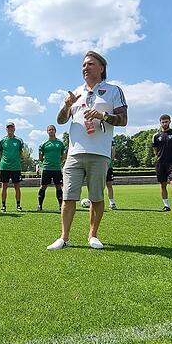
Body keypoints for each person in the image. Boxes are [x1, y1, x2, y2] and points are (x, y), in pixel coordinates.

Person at [48, 51, 127, 250]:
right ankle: (64, 238)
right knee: (68, 197)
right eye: (83, 65)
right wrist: (67, 106)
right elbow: (60, 120)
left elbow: (123, 120)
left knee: (96, 197)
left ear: (101, 68)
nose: (85, 68)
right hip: (74, 153)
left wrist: (102, 116)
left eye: (90, 64)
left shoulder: (113, 90)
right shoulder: (76, 92)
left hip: (99, 153)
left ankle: (93, 235)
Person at [152, 114, 172, 213]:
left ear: (170, 121)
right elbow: (155, 151)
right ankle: (166, 205)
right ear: (160, 123)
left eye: (166, 121)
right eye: (163, 122)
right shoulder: (156, 136)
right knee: (162, 184)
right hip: (160, 163)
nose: (164, 123)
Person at [0, 122, 25, 212]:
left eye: (11, 128)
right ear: (6, 129)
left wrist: (16, 160)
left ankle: (18, 205)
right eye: (8, 128)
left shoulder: (19, 140)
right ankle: (3, 206)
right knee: (4, 186)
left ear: (14, 129)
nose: (10, 129)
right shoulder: (2, 141)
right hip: (4, 167)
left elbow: (21, 152)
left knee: (17, 186)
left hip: (16, 167)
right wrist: (3, 161)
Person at [37, 124, 66, 211]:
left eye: (52, 129)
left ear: (55, 131)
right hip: (46, 168)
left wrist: (59, 162)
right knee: (43, 187)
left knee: (58, 187)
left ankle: (61, 206)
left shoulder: (60, 143)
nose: (51, 131)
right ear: (47, 132)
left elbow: (64, 155)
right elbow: (40, 157)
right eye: (49, 130)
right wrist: (45, 163)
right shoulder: (43, 144)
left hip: (57, 169)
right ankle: (40, 205)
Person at [106, 141, 117, 210]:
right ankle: (95, 203)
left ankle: (112, 203)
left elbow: (113, 155)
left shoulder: (111, 141)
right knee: (97, 186)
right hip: (99, 166)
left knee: (109, 185)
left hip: (107, 166)